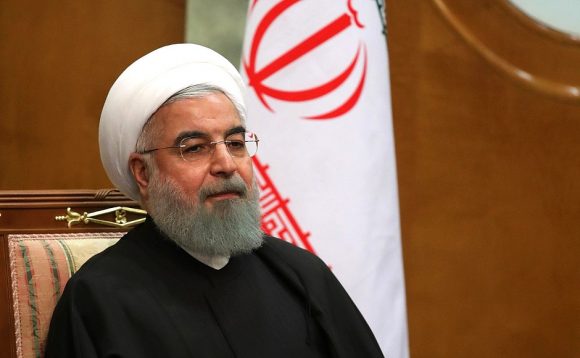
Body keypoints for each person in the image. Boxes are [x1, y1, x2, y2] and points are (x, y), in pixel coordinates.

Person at [45, 44, 384, 358]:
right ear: (143, 173)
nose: (226, 164)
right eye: (194, 147)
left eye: (235, 143)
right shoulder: (98, 302)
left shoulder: (300, 274)